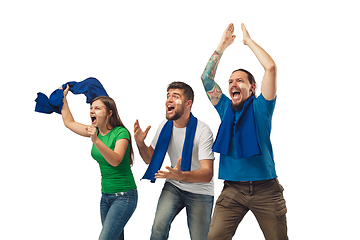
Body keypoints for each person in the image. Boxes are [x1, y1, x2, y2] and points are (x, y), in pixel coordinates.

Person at [201, 23, 288, 240]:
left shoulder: (262, 107)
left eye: (239, 80)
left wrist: (248, 42)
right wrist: (222, 45)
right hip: (232, 191)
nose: (233, 84)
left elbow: (270, 67)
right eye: (230, 82)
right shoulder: (225, 108)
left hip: (266, 189)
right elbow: (206, 79)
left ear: (252, 88)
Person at [134, 82, 215, 240]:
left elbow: (207, 174)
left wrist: (181, 175)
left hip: (200, 191)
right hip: (174, 185)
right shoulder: (165, 126)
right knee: (158, 228)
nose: (169, 100)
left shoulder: (203, 131)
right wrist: (140, 143)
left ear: (188, 104)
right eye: (168, 96)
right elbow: (150, 159)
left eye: (175, 96)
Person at [60, 84, 137, 240]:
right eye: (91, 108)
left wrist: (96, 140)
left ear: (109, 113)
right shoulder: (94, 131)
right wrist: (63, 97)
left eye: (97, 108)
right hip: (106, 197)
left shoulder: (121, 133)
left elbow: (115, 160)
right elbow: (69, 122)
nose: (92, 111)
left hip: (125, 196)